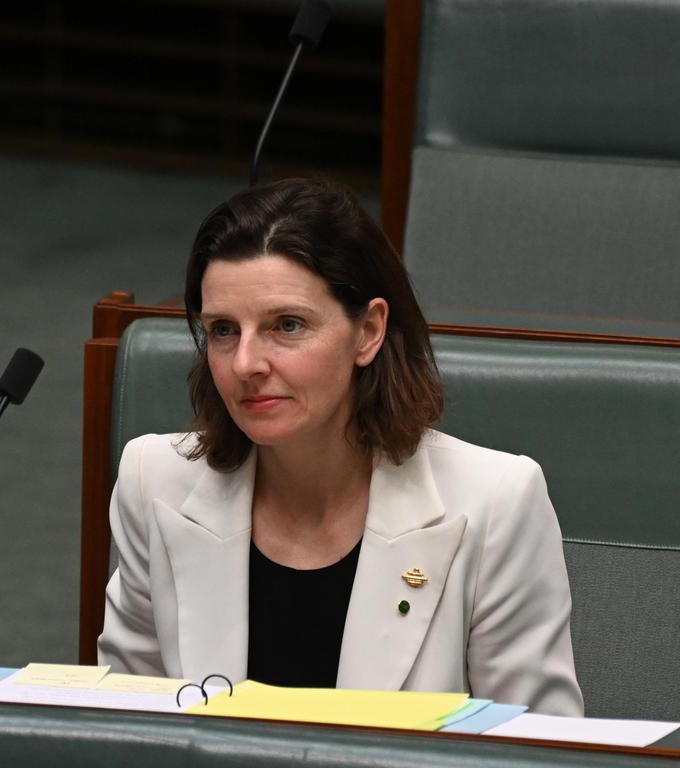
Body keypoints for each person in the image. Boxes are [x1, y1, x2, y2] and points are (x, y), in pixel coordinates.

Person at [97, 178, 583, 716]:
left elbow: (541, 749)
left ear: (369, 331)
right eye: (223, 330)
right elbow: (125, 726)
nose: (245, 365)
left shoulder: (495, 503)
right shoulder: (155, 482)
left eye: (287, 325)